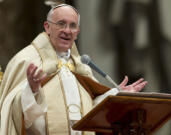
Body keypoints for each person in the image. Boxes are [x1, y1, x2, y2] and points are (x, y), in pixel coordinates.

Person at [0, 4, 147, 135]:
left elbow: (92, 110)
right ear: (47, 27)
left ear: (77, 32)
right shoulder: (26, 60)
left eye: (72, 26)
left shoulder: (81, 67)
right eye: (61, 24)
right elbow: (12, 111)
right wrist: (31, 90)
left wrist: (116, 95)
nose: (67, 30)